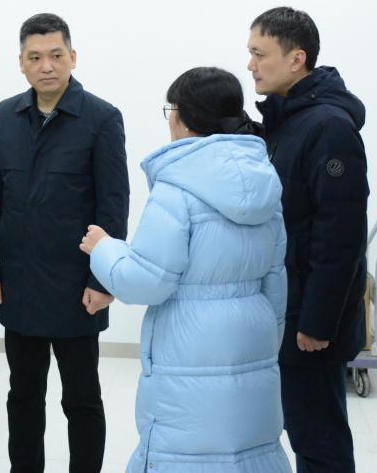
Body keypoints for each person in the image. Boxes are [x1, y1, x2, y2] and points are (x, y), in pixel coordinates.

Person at [80, 66, 291, 473]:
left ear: (182, 116)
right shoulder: (265, 182)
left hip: (187, 343)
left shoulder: (177, 189)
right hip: (253, 335)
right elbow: (275, 280)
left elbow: (146, 282)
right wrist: (264, 340)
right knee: (248, 452)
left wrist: (104, 249)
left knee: (185, 453)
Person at [0, 13, 129, 472]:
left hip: (76, 287)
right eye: (35, 57)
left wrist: (103, 280)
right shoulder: (6, 115)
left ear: (73, 57)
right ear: (21, 63)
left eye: (56, 55)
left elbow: (113, 207)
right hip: (19, 281)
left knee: (81, 398)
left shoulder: (101, 118)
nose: (46, 66)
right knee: (23, 395)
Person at [246, 7, 369, 473]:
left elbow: (340, 237)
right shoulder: (287, 120)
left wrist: (317, 322)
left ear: (296, 59)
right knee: (304, 429)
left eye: (260, 54)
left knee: (319, 440)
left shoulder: (328, 128)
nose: (251, 65)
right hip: (290, 307)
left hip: (311, 320)